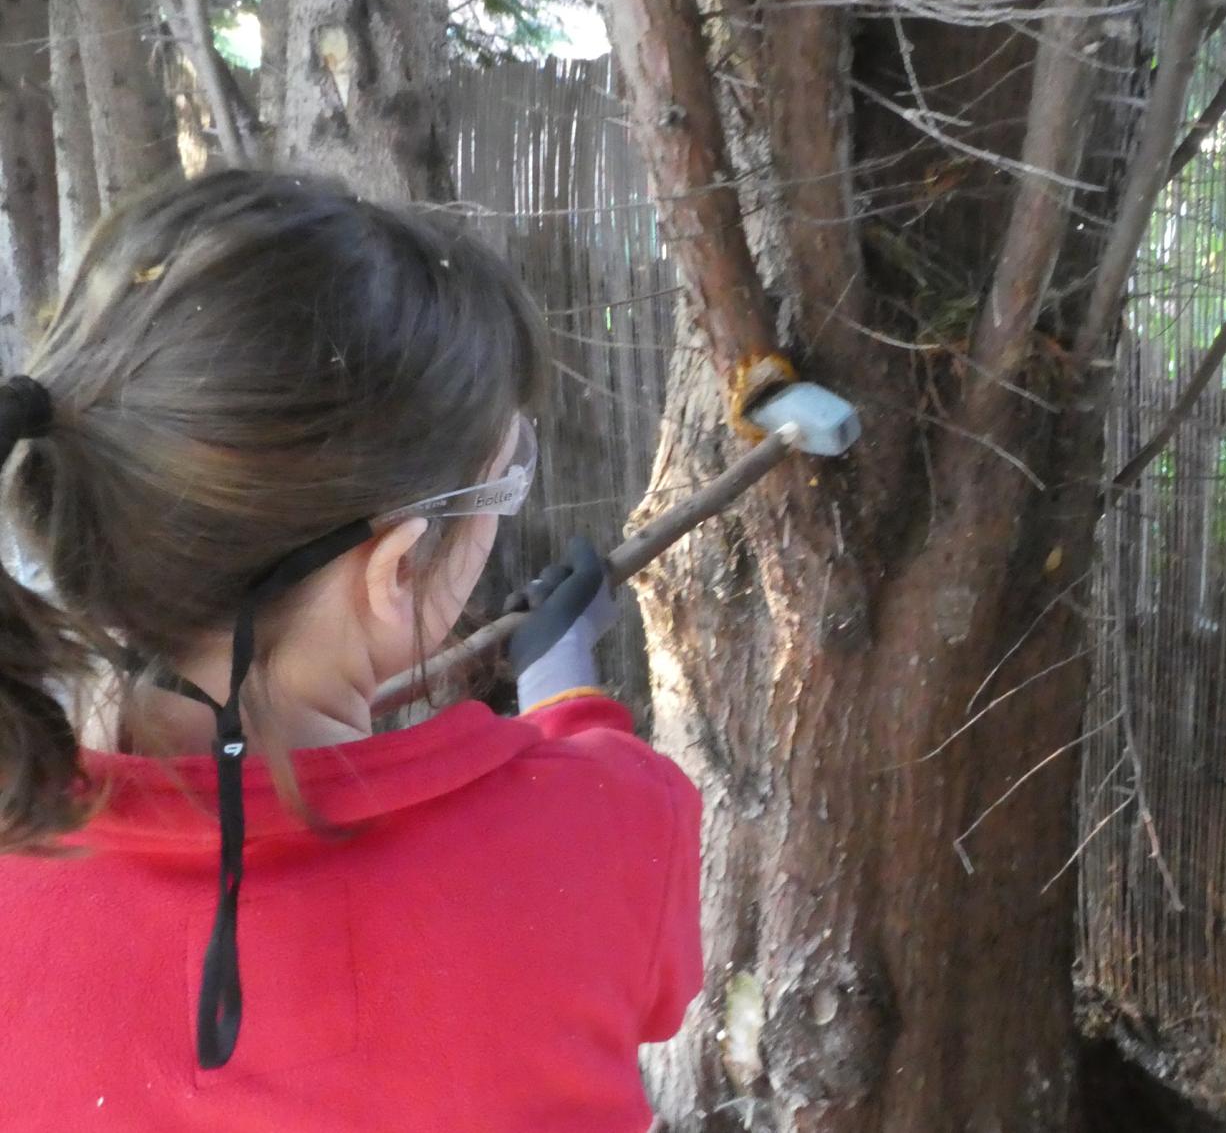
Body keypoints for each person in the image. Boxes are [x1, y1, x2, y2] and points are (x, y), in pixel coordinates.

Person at [0, 170, 702, 1132]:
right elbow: (605, 919)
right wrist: (564, 682)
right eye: (502, 484)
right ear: (397, 568)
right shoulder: (613, 824)